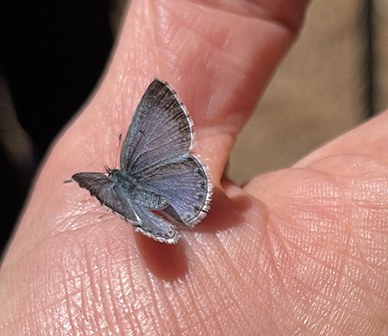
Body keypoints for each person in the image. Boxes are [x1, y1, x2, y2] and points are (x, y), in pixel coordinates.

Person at [1, 1, 386, 334]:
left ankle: (160, 217)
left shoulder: (108, 181)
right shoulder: (120, 164)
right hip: (170, 184)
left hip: (152, 202)